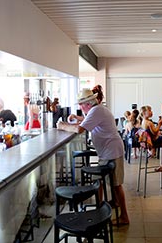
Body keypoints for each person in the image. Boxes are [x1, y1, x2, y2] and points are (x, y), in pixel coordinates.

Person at [57, 88, 130, 225]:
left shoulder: (97, 111)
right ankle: (107, 205)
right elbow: (86, 121)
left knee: (115, 184)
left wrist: (62, 126)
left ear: (88, 104)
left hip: (112, 151)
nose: (80, 107)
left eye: (81, 104)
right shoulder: (97, 110)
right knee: (106, 182)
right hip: (109, 150)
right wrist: (76, 119)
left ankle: (122, 216)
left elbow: (79, 129)